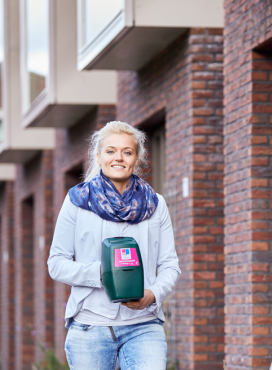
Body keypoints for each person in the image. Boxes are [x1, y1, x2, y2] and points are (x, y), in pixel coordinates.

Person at [48, 121, 181, 370]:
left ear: (136, 159)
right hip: (90, 326)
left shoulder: (155, 203)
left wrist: (153, 295)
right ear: (98, 157)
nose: (118, 158)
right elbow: (56, 264)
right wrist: (104, 273)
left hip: (143, 325)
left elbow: (170, 265)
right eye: (110, 151)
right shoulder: (77, 201)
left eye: (127, 152)